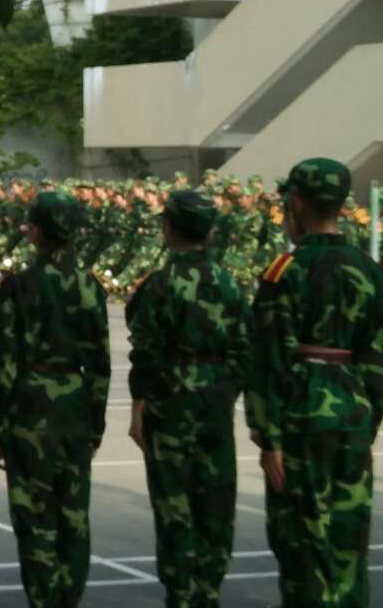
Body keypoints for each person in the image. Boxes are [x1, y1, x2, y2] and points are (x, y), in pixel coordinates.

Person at [246, 158, 383, 606]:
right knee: (348, 545)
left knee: (303, 545)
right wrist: (368, 417)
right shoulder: (368, 268)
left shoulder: (285, 271)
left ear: (297, 203)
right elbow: (378, 357)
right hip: (353, 417)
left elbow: (268, 358)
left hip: (301, 419)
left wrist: (269, 437)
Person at [0, 192, 110, 608]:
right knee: (74, 516)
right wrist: (96, 423)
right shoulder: (91, 286)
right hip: (74, 406)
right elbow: (101, 363)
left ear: (36, 231)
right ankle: (68, 598)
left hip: (29, 405)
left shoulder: (19, 286)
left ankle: (43, 599)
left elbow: (2, 361)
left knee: (35, 517)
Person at [126, 190, 250, 607]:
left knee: (174, 506)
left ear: (167, 229)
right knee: (216, 503)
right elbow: (243, 348)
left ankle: (180, 593)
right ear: (211, 232)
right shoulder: (230, 283)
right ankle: (208, 591)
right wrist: (223, 388)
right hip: (214, 405)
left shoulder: (159, 285)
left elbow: (145, 350)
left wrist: (139, 407)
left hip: (169, 403)